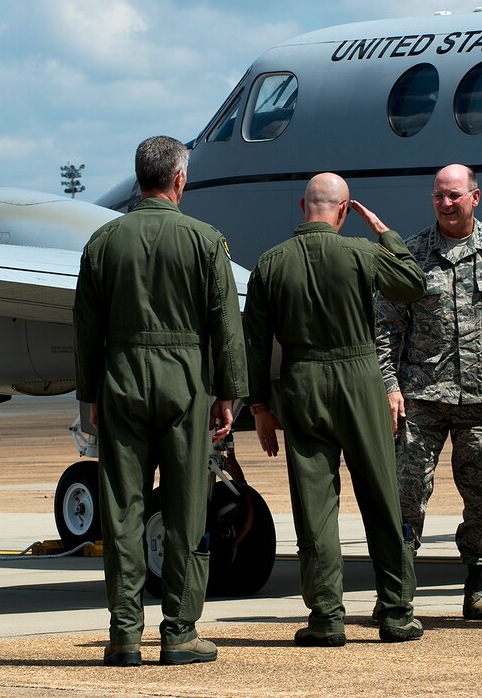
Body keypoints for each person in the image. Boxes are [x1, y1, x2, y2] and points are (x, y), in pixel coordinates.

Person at [73, 135, 247, 666]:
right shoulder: (204, 240)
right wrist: (229, 393)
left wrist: (90, 396)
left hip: (121, 381)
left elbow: (85, 328)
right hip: (185, 383)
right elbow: (226, 324)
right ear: (179, 179)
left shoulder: (102, 242)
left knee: (122, 510)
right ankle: (179, 630)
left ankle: (125, 634)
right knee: (184, 507)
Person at [243, 173, 426, 646]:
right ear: (344, 211)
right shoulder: (363, 253)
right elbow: (412, 284)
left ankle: (326, 616)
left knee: (315, 504)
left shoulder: (270, 264)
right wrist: (386, 234)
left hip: (302, 383)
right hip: (360, 377)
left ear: (302, 205)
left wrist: (261, 407)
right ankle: (396, 611)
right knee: (381, 496)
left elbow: (256, 344)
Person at [376, 164, 482, 620]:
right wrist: (390, 387)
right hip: (421, 399)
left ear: (475, 198)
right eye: (438, 197)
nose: (446, 204)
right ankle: (400, 590)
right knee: (406, 493)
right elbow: (384, 328)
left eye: (454, 196)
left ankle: (478, 587)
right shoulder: (411, 254)